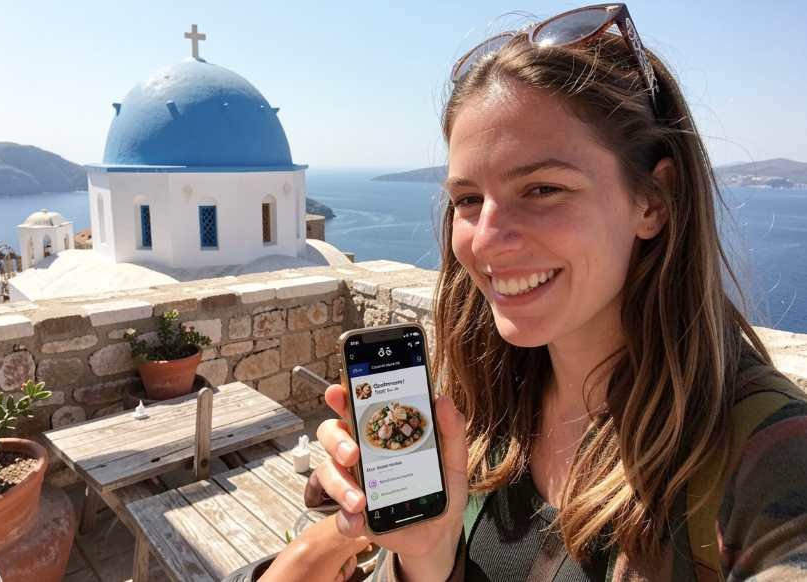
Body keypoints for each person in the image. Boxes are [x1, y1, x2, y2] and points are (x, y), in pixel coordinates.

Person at [274, 4, 807, 581]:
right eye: (468, 199)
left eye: (544, 188)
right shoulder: (481, 407)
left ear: (652, 200)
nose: (488, 241)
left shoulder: (764, 460)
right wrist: (422, 556)